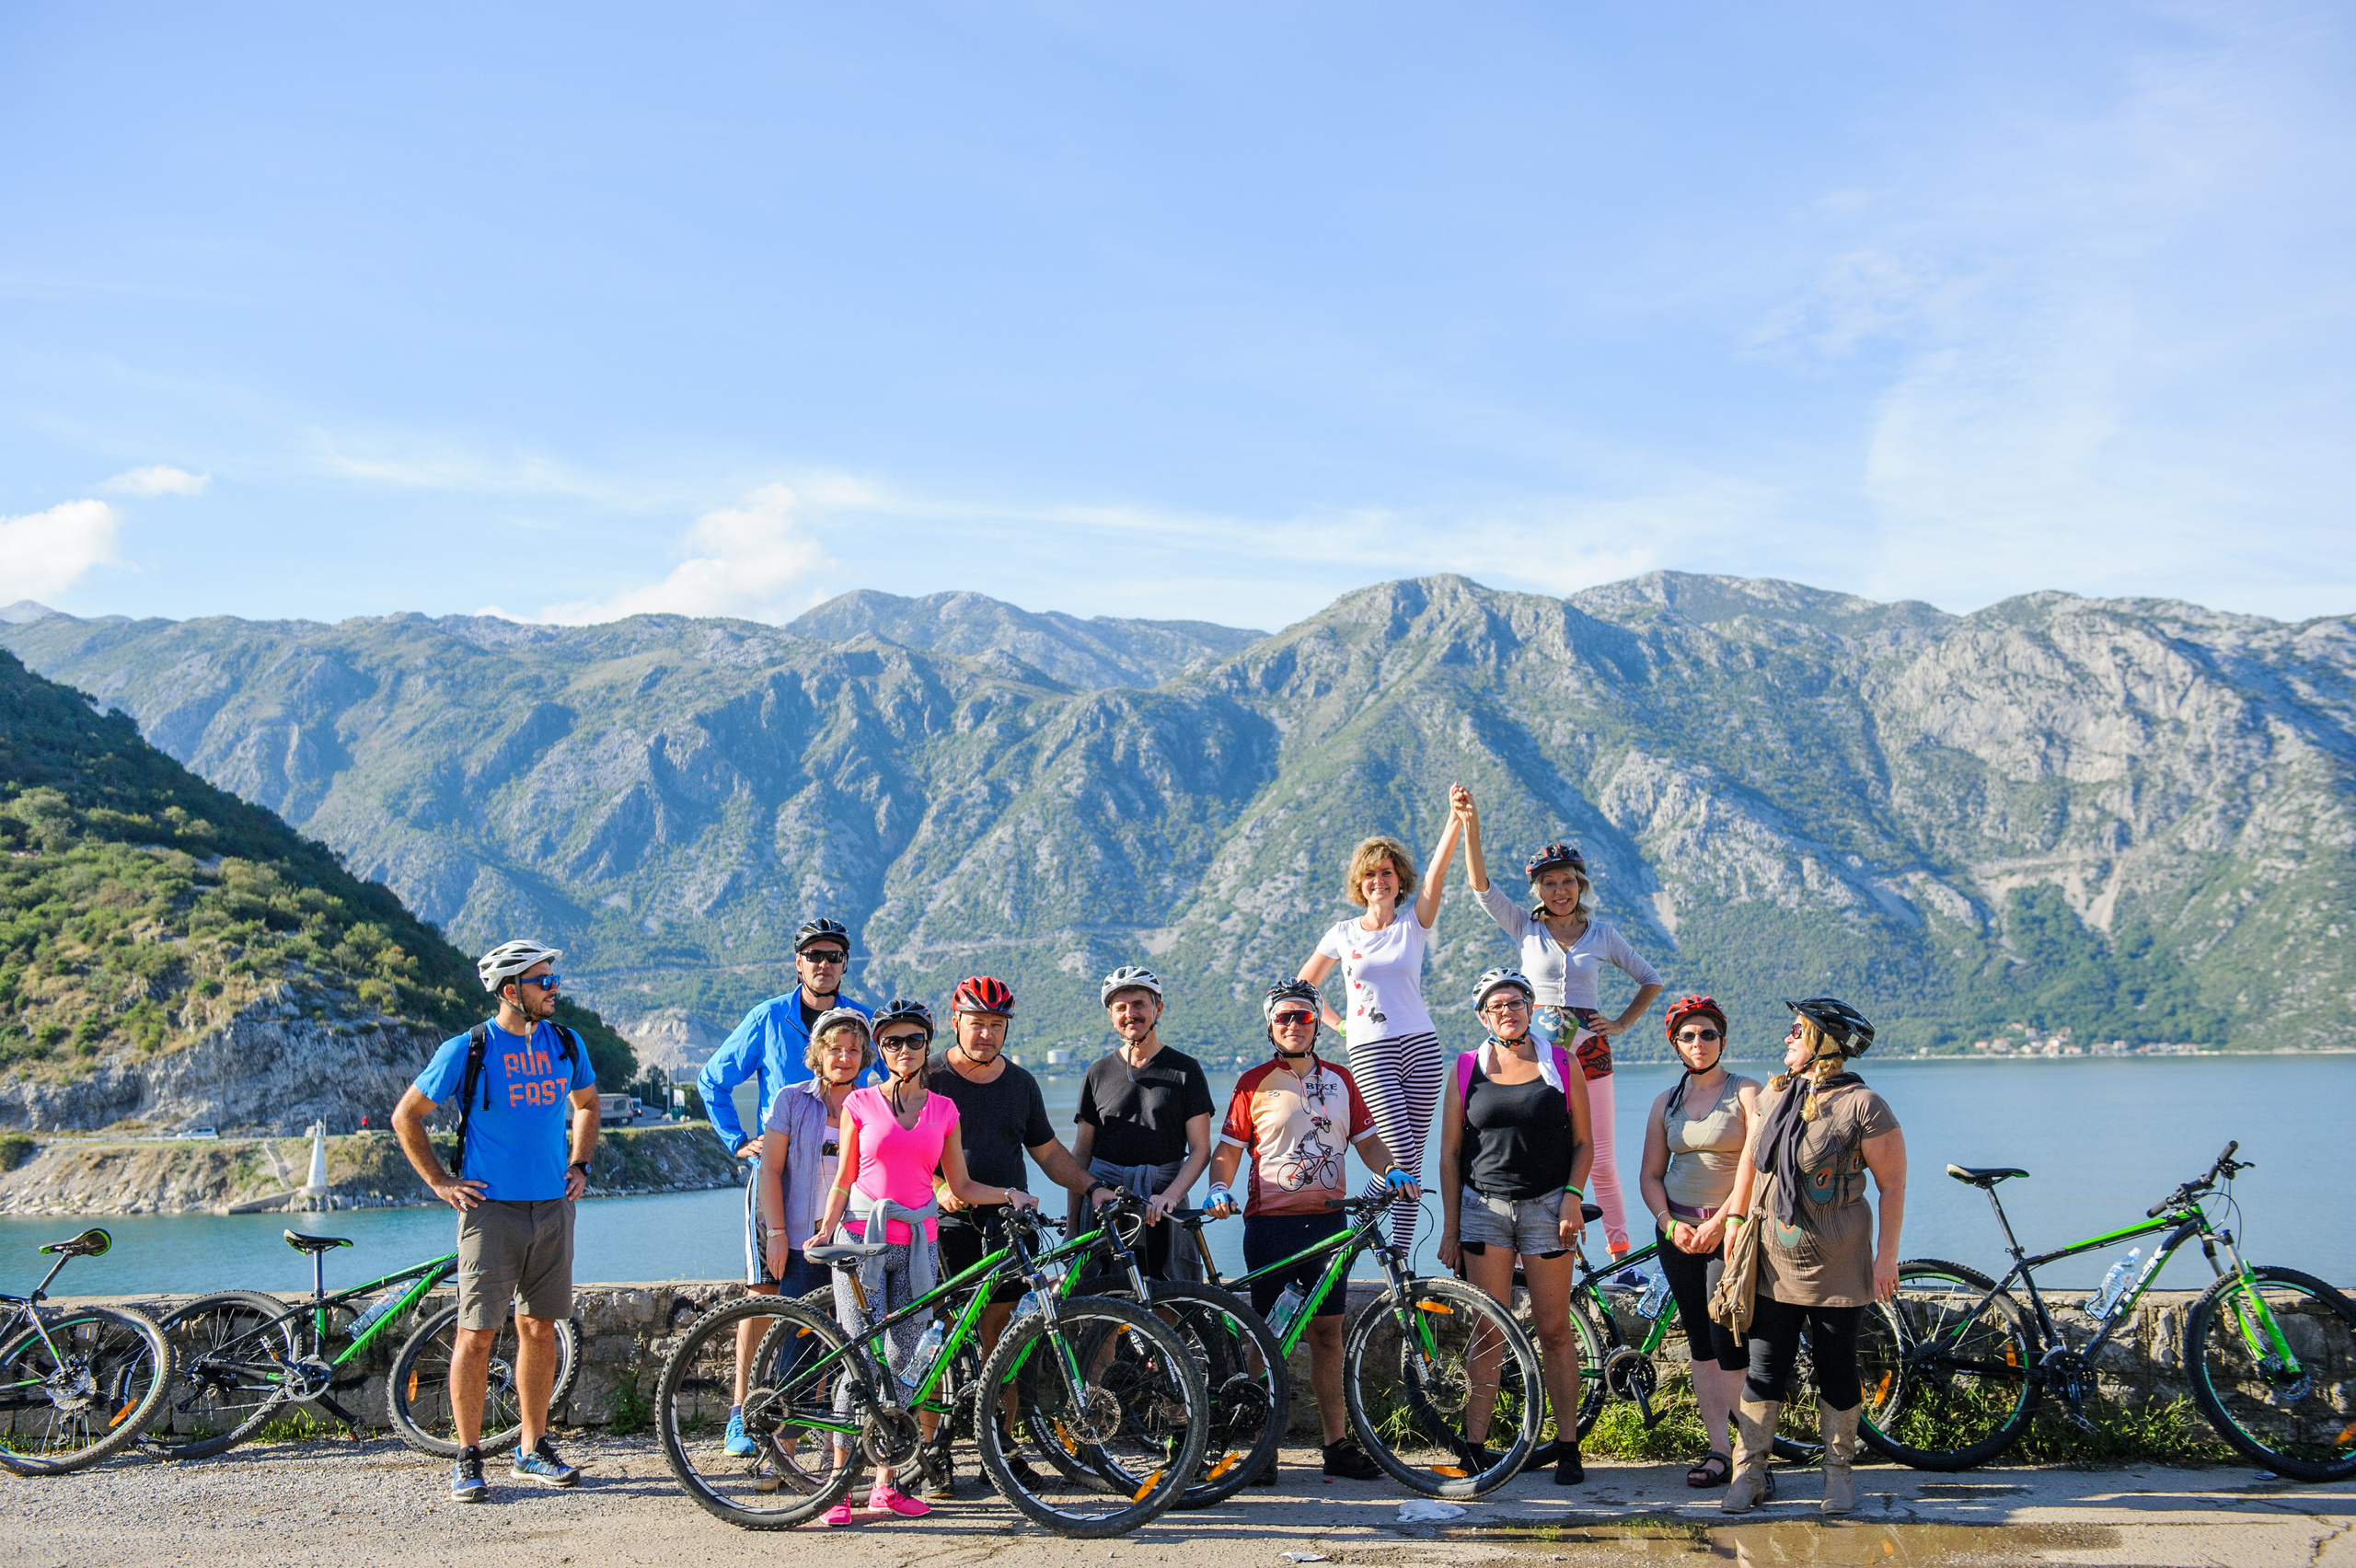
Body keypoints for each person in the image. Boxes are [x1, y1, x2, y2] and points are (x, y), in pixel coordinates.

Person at [390, 940, 597, 1503]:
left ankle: (532, 1449)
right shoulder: (469, 1048)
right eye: (542, 981)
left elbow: (587, 1104)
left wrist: (579, 1163)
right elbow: (406, 1117)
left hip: (552, 1209)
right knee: (477, 1333)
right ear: (511, 990)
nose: (554, 988)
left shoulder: (565, 1042)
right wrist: (440, 1181)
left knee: (539, 1328)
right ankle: (468, 1455)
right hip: (490, 1212)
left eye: (553, 978)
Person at [811, 1006, 1034, 1526]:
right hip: (861, 1244)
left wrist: (1009, 1195)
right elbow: (844, 1178)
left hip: (918, 1246)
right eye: (891, 1042)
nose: (904, 1050)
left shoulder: (943, 1110)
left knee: (908, 1363)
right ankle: (839, 1487)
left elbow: (960, 1188)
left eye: (914, 1040)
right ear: (880, 1050)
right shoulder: (861, 1104)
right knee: (859, 1362)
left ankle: (884, 1487)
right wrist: (825, 1230)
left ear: (927, 1044)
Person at [1205, 979, 1420, 1482]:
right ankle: (1262, 1446)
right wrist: (1218, 1186)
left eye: (1304, 1017)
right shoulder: (1252, 1081)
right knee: (1269, 1335)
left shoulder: (1344, 1079)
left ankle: (1336, 1446)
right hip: (1270, 1225)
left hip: (1329, 1223)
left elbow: (1368, 1141)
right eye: (1284, 1018)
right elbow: (1231, 1150)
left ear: (1318, 1023)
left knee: (1328, 1335)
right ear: (1270, 1025)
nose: (1294, 1026)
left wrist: (1391, 1169)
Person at [924, 975, 1117, 1498]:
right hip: (941, 1228)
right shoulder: (929, 1077)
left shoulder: (1021, 1085)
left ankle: (1000, 1453)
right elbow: (898, 1147)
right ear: (955, 1020)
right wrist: (939, 1185)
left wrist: (1093, 1187)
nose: (986, 1034)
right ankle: (933, 1455)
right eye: (977, 1023)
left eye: (996, 1025)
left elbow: (1050, 1154)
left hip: (1007, 1229)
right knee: (932, 1341)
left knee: (1003, 1342)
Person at [1717, 997, 1907, 1517]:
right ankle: (1749, 1473)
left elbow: (1893, 1186)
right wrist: (1735, 1221)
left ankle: (1838, 1476)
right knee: (1764, 1367)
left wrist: (1886, 1257)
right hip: (1775, 1257)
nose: (1788, 1039)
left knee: (1836, 1367)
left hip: (1840, 1260)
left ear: (1824, 1042)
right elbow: (1754, 1168)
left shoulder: (1864, 1105)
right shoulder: (1776, 1094)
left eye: (1798, 1031)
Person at [1453, 788, 1663, 1257]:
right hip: (1535, 1053)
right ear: (1538, 890)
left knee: (1602, 1157)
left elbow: (1650, 979)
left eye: (1567, 881)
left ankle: (1619, 1255)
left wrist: (1622, 1023)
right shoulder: (1524, 927)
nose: (1560, 891)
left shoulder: (1603, 934)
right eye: (1549, 883)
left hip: (1591, 1052)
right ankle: (1545, 1245)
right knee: (1546, 1151)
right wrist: (1471, 826)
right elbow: (1480, 886)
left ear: (1580, 886)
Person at [696, 917, 873, 1458]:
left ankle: (810, 1414)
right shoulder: (768, 1017)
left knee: (828, 1299)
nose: (824, 963)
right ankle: (741, 1413)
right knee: (764, 1296)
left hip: (840, 1185)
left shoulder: (859, 1024)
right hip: (776, 1177)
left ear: (845, 964)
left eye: (834, 955)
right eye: (813, 955)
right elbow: (712, 1080)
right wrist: (737, 1140)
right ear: (798, 963)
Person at [1437, 969, 1594, 1485]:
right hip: (1485, 1209)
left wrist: (1572, 1198)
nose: (1507, 1011)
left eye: (1516, 1002)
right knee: (1488, 1330)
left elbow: (1584, 1144)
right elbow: (1451, 1154)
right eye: (1496, 1005)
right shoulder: (1465, 1068)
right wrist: (1451, 1229)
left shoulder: (1560, 1063)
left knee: (1553, 1329)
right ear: (1483, 1015)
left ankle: (1568, 1446)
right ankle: (1475, 1449)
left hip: (1549, 1207)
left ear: (1530, 1008)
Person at [1294, 797, 1465, 1254]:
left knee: (1413, 1159)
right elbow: (1303, 986)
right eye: (1370, 874)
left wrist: (1454, 820)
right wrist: (1340, 1025)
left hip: (1423, 1047)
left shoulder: (1414, 925)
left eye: (1386, 873)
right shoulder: (1343, 932)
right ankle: (1351, 1237)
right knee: (1399, 1158)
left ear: (1398, 880)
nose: (1378, 881)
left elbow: (1437, 875)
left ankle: (1399, 1258)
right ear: (1360, 883)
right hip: (1371, 1050)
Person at [757, 1001, 895, 1470]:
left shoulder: (874, 1102)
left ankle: (843, 1463)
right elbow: (770, 1171)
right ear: (818, 1052)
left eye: (855, 1049)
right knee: (797, 1351)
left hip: (857, 1243)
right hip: (802, 1245)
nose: (845, 1057)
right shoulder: (792, 1100)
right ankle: (783, 1456)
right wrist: (776, 1233)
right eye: (835, 1049)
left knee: (854, 1353)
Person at [1636, 994, 1761, 1489]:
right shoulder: (1665, 1102)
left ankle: (1754, 1461)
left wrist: (1725, 1220)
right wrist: (1669, 1224)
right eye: (1688, 1035)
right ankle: (1719, 1452)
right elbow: (1650, 1175)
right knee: (1700, 1346)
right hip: (1679, 1236)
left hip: (1729, 1235)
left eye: (1708, 1033)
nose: (1698, 1042)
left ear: (1722, 1040)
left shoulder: (1747, 1091)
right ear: (1675, 1044)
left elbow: (1755, 1162)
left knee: (1730, 1344)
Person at [1069, 965, 1216, 1281]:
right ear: (1111, 1016)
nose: (1130, 1014)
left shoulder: (1185, 1070)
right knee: (1102, 1306)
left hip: (1161, 1202)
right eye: (1120, 1007)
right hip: (1105, 1205)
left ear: (1157, 1009)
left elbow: (1201, 1149)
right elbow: (1081, 1154)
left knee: (1169, 1303)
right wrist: (1071, 1227)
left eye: (1139, 1005)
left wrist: (1171, 1197)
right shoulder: (1098, 1073)